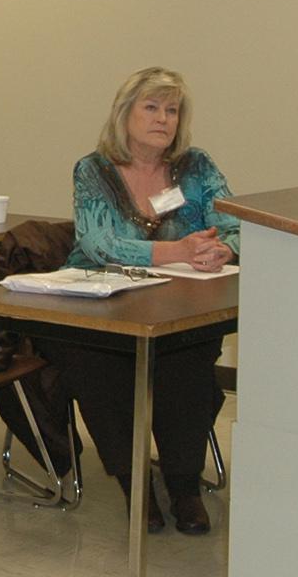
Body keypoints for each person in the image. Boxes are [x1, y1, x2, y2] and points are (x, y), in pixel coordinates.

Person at [58, 67, 236, 536]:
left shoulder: (196, 166)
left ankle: (183, 486)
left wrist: (224, 248)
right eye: (152, 108)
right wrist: (176, 250)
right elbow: (100, 244)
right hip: (102, 301)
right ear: (125, 114)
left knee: (188, 364)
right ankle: (133, 484)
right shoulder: (93, 170)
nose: (163, 119)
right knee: (100, 367)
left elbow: (235, 222)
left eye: (172, 110)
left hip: (180, 303)